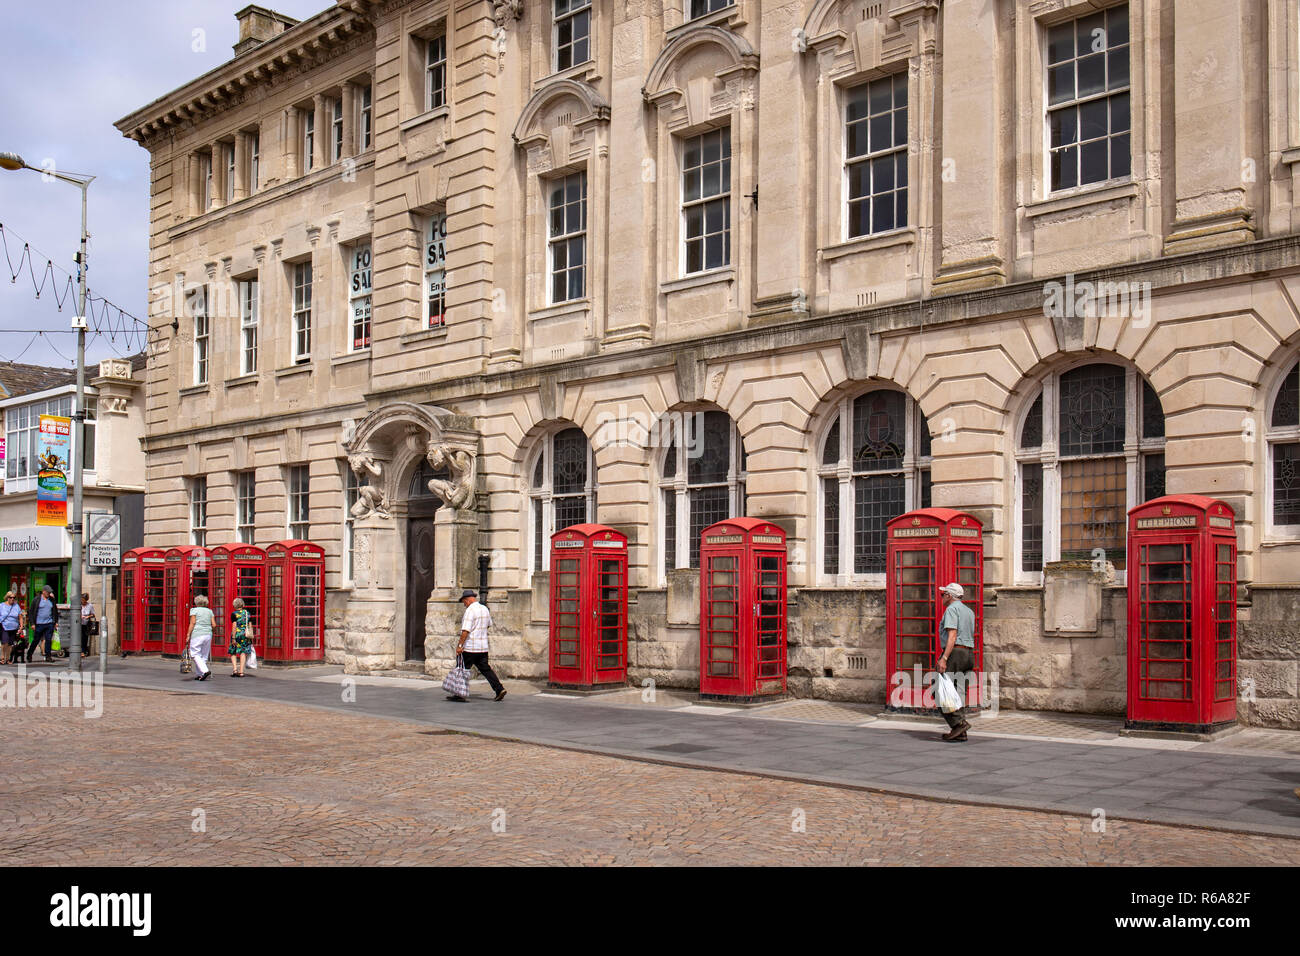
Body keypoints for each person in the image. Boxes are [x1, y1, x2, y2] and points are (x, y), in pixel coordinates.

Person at [935, 582, 977, 741]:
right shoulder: (969, 611)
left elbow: (952, 635)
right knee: (958, 693)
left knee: (939, 690)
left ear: (949, 596)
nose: (941, 597)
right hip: (968, 654)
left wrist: (944, 658)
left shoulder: (951, 609)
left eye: (942, 594)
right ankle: (960, 733)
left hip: (955, 653)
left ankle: (959, 724)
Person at [450, 588, 506, 702]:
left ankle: (460, 694)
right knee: (486, 669)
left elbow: (465, 630)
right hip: (483, 647)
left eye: (464, 602)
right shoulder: (484, 609)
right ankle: (499, 689)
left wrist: (460, 645)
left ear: (468, 600)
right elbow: (489, 624)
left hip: (470, 647)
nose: (464, 605)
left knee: (462, 669)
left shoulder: (470, 611)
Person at [186, 594, 214, 681]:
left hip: (197, 634)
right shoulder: (209, 611)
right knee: (204, 656)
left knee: (194, 654)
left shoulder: (194, 610)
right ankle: (200, 674)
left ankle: (205, 671)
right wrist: (210, 630)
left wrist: (188, 635)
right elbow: (214, 624)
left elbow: (192, 623)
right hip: (208, 634)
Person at [28, 585, 57, 663]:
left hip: (49, 623)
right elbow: (31, 612)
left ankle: (48, 656)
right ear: (43, 591)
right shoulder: (36, 600)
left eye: (50, 592)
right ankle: (29, 654)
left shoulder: (52, 600)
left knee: (48, 640)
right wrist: (32, 623)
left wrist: (55, 622)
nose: (49, 593)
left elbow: (55, 611)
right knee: (36, 640)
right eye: (48, 592)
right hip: (39, 624)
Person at [228, 597, 253, 677]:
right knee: (243, 652)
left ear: (234, 605)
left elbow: (234, 626)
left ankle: (235, 670)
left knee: (233, 651)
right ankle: (241, 672)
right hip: (245, 635)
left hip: (237, 635)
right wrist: (251, 635)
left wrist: (233, 637)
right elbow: (250, 625)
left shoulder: (234, 614)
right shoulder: (247, 613)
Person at [0, 592, 22, 665]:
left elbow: (20, 617)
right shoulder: (2, 605)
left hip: (13, 627)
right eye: (10, 597)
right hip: (4, 626)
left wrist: (21, 626)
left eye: (14, 598)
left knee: (10, 644)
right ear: (7, 598)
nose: (12, 599)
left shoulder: (16, 606)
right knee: (4, 642)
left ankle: (8, 658)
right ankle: (2, 658)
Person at [80, 593, 97, 657]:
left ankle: (83, 651)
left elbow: (93, 614)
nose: (82, 601)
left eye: (83, 600)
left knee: (84, 638)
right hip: (79, 623)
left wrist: (88, 616)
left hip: (86, 624)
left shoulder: (90, 606)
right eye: (81, 599)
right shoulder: (79, 605)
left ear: (86, 600)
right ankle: (80, 651)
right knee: (80, 637)